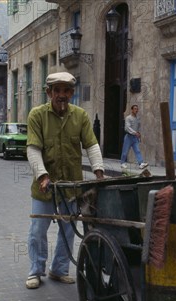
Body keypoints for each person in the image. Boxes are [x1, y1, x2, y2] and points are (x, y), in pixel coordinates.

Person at [25, 71, 105, 289]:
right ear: (49, 92)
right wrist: (42, 175)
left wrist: (99, 171)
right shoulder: (37, 115)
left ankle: (59, 270)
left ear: (71, 93)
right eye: (57, 90)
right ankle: (35, 271)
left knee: (68, 230)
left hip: (71, 185)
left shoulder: (80, 116)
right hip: (45, 186)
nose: (62, 95)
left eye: (66, 90)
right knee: (37, 230)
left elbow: (91, 145)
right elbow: (33, 149)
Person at [120, 104, 148, 170]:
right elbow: (127, 128)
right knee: (125, 151)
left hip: (135, 138)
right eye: (135, 109)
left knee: (137, 150)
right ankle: (122, 163)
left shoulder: (138, 118)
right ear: (132, 110)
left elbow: (138, 127)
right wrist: (135, 133)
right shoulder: (128, 118)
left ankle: (141, 163)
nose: (136, 110)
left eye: (137, 109)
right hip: (128, 137)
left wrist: (138, 133)